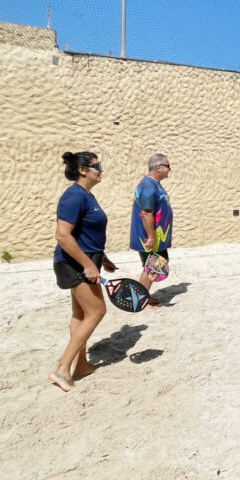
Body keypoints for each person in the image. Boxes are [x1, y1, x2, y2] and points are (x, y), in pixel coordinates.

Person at [50, 151, 116, 391]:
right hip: (74, 263)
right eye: (96, 165)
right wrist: (88, 265)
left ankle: (81, 365)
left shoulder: (87, 195)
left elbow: (86, 233)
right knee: (97, 311)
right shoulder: (74, 196)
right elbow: (62, 235)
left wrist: (102, 258)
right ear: (82, 170)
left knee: (80, 315)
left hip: (87, 260)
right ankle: (62, 368)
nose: (101, 169)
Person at [130, 153, 174, 305]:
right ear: (158, 168)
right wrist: (151, 237)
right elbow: (146, 213)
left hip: (156, 236)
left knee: (156, 263)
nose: (170, 169)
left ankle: (142, 297)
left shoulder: (153, 184)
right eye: (168, 166)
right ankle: (140, 299)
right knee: (153, 265)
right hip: (149, 236)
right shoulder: (148, 186)